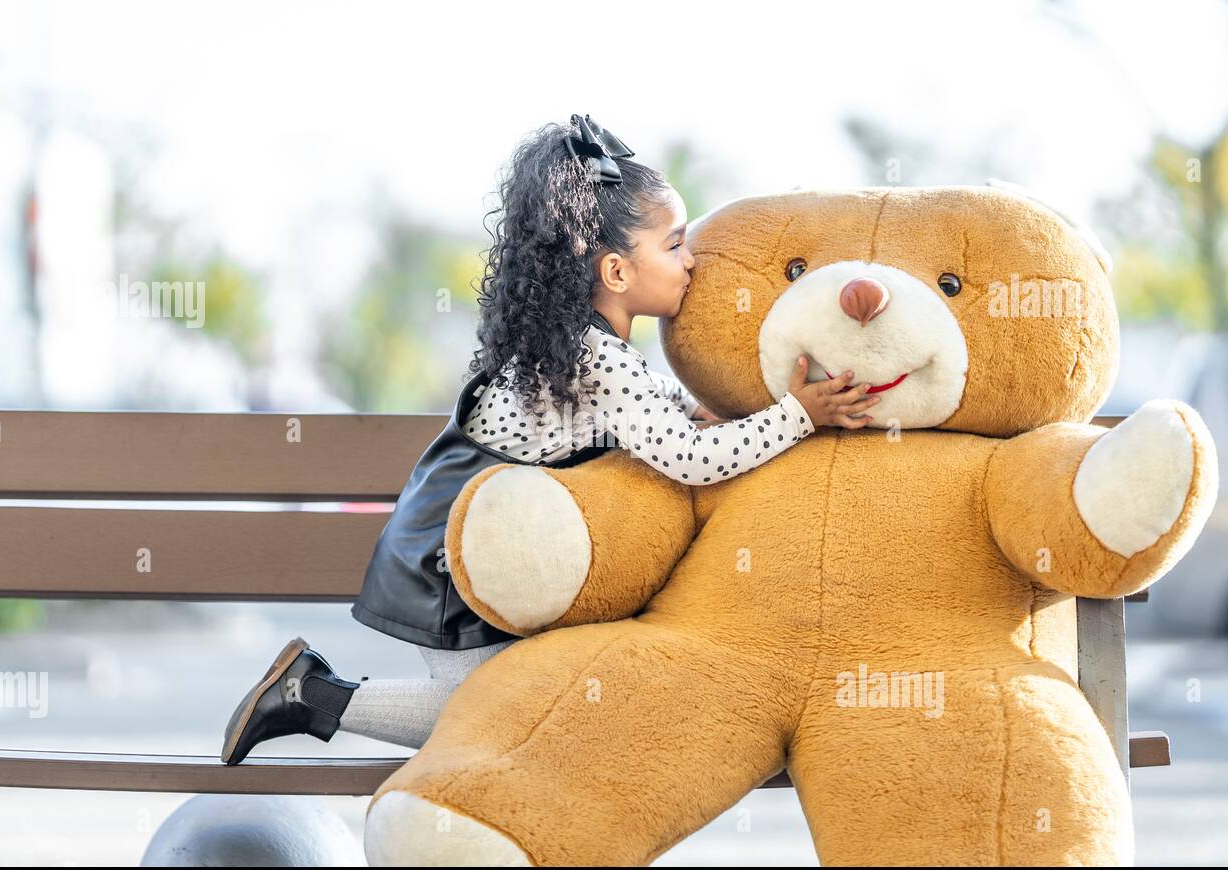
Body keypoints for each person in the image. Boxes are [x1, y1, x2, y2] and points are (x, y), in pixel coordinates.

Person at [221, 114, 878, 765]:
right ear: (617, 273)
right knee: (496, 713)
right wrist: (799, 415)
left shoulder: (582, 349)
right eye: (675, 244)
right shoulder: (600, 360)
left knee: (524, 705)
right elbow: (693, 460)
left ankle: (312, 692)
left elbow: (667, 420)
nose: (693, 260)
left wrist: (722, 411)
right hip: (455, 551)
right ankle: (308, 693)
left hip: (460, 529)